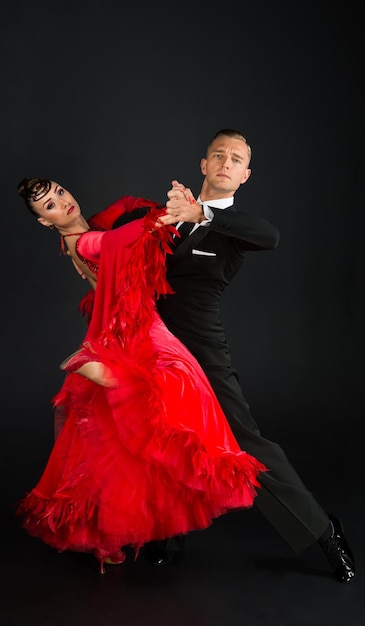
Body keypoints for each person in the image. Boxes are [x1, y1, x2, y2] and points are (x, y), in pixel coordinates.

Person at [106, 128, 356, 584]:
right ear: (203, 165)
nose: (225, 162)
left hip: (201, 349)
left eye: (235, 159)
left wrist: (201, 212)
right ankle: (167, 534)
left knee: (245, 443)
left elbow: (271, 235)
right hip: (153, 348)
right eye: (217, 154)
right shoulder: (166, 215)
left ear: (244, 175)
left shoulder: (234, 227)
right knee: (161, 439)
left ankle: (324, 530)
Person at [15, 177, 268, 574]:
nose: (61, 203)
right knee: (182, 390)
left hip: (135, 321)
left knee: (116, 441)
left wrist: (164, 204)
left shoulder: (97, 223)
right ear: (45, 223)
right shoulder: (79, 242)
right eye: (49, 206)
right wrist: (172, 214)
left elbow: (129, 204)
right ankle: (100, 369)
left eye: (60, 192)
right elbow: (115, 244)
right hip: (133, 329)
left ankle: (108, 531)